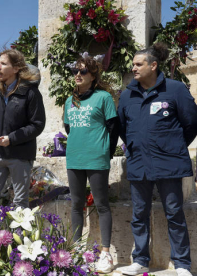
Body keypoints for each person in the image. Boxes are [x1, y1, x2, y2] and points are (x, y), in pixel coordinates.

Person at [117, 43, 197, 276]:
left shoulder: (175, 89)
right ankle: (140, 260)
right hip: (139, 162)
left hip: (169, 162)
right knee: (138, 214)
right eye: (132, 64)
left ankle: (182, 264)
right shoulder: (126, 95)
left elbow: (191, 123)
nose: (133, 68)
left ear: (153, 65)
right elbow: (123, 128)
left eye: (138, 64)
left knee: (174, 213)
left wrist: (172, 145)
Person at [63, 55, 119, 273]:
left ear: (93, 75)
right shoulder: (70, 101)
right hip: (74, 158)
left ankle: (105, 254)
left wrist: (105, 151)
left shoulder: (104, 97)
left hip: (96, 158)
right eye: (75, 71)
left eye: (83, 71)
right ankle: (76, 250)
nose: (77, 75)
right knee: (76, 204)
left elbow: (113, 127)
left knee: (102, 204)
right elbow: (69, 128)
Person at [0, 49, 46, 218]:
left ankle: (19, 240)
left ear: (16, 68)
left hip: (20, 155)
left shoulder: (30, 93)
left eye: (3, 64)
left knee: (20, 202)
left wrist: (11, 138)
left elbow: (37, 124)